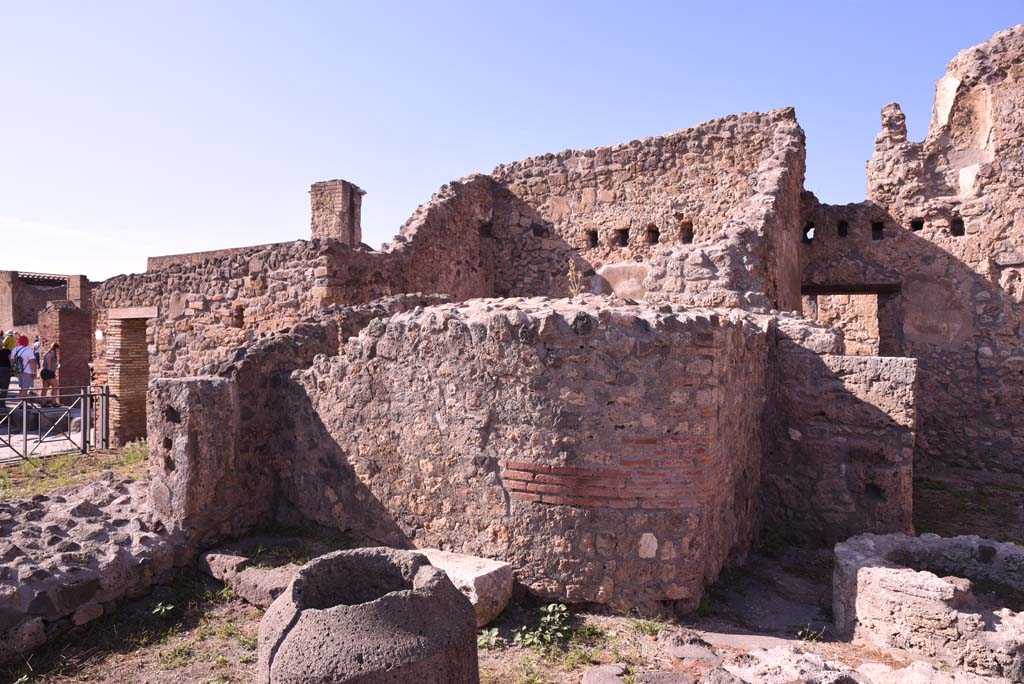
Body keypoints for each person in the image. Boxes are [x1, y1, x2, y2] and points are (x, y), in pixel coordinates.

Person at [40, 343, 59, 407]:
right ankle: (53, 402)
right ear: (56, 348)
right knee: (55, 386)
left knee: (45, 388)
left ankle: (43, 403)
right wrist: (49, 366)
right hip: (49, 372)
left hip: (44, 371)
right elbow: (48, 357)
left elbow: (43, 361)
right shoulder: (52, 352)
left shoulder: (47, 352)